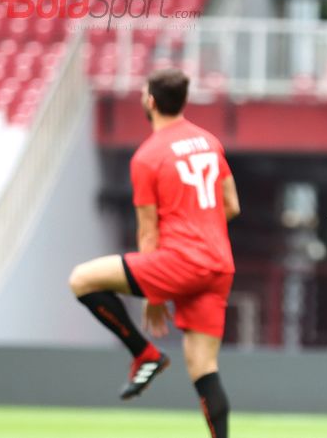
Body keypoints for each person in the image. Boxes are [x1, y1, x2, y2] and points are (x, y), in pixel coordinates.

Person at [69, 68, 240, 438]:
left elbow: (147, 232)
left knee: (82, 280)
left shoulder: (147, 156)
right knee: (204, 366)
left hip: (180, 261)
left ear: (150, 101)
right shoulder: (209, 142)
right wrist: (202, 224)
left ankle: (143, 353)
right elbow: (231, 205)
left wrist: (155, 293)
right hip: (219, 264)